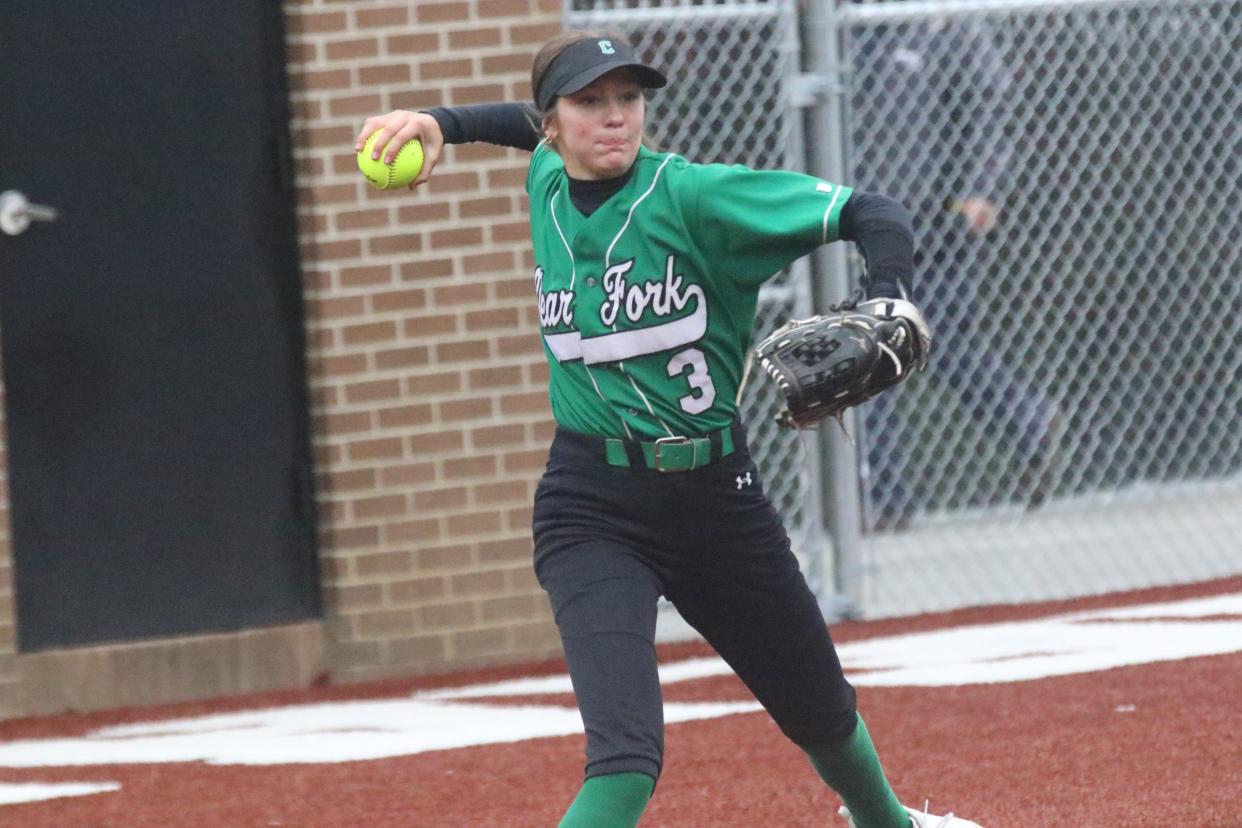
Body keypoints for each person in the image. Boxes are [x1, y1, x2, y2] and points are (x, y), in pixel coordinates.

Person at [356, 30, 982, 828]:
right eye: (590, 102)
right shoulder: (546, 176)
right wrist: (443, 122)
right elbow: (519, 122)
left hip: (717, 499)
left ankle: (886, 823)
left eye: (629, 98)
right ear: (554, 124)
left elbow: (873, 210)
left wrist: (888, 294)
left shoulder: (696, 197)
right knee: (625, 761)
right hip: (590, 505)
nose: (615, 117)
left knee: (822, 712)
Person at [851, 15, 1059, 528]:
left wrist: (981, 189)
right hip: (855, 216)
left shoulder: (947, 24)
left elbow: (990, 107)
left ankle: (1030, 426)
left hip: (932, 216)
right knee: (866, 341)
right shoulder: (840, 25)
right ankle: (885, 497)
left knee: (941, 343)